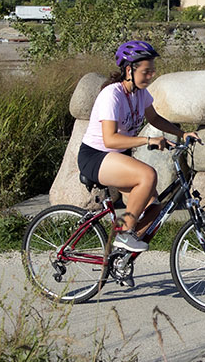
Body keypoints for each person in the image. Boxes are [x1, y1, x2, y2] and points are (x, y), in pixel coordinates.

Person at [77, 40, 198, 252]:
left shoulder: (140, 93)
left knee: (154, 208)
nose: (150, 76)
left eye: (152, 71)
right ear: (129, 70)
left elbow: (154, 118)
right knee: (147, 175)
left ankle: (120, 255)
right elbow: (110, 140)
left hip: (116, 158)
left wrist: (182, 133)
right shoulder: (111, 95)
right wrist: (148, 140)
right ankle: (123, 234)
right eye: (146, 72)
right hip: (96, 156)